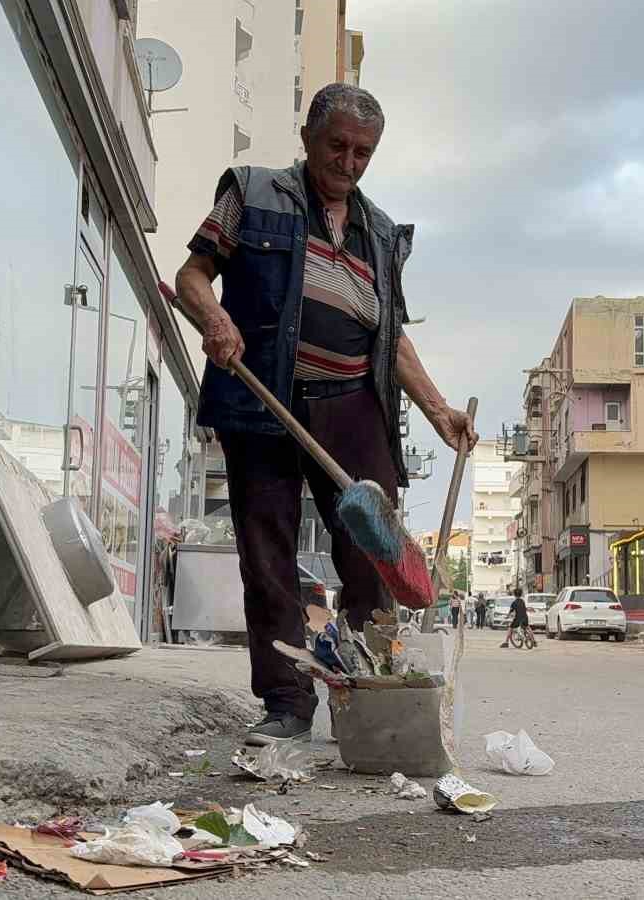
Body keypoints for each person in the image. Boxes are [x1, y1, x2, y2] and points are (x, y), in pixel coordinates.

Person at [173, 84, 478, 746]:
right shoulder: (252, 193)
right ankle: (286, 702)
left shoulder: (381, 234)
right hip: (265, 399)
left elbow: (389, 335)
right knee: (268, 553)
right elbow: (191, 277)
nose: (349, 162)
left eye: (363, 152)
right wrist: (217, 318)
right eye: (337, 145)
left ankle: (372, 695)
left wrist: (436, 409)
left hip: (354, 407)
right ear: (309, 137)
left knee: (372, 555)